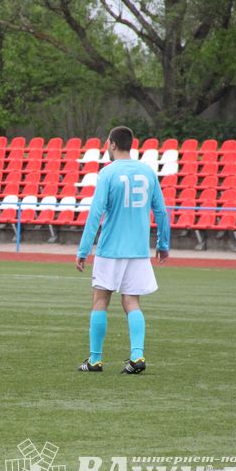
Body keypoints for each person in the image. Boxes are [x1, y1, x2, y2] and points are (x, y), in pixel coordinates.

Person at [75, 126, 170, 374]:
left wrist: (83, 250)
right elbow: (161, 211)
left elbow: (95, 214)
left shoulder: (107, 173)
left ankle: (95, 360)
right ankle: (137, 356)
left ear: (112, 144)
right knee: (131, 301)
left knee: (100, 300)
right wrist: (163, 244)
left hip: (111, 249)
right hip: (138, 251)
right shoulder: (147, 172)